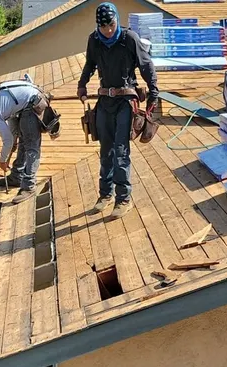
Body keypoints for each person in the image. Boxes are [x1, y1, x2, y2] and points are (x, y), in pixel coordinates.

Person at [77, 2, 159, 218]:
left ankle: (124, 199)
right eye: (104, 27)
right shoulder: (94, 40)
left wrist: (153, 90)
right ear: (98, 26)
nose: (108, 30)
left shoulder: (129, 38)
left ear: (116, 21)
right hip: (105, 100)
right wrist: (82, 84)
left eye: (111, 25)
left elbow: (146, 64)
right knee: (106, 150)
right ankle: (105, 195)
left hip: (126, 100)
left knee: (121, 150)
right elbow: (89, 64)